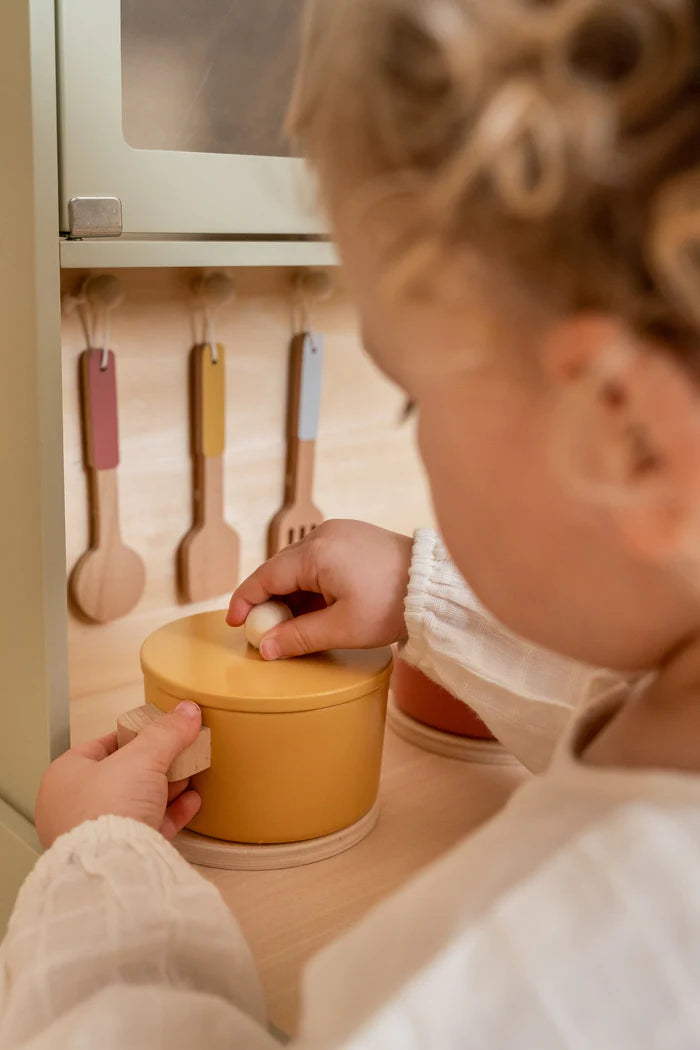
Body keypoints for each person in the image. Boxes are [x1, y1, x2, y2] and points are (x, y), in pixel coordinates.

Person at [3, 0, 700, 1046]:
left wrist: (100, 864)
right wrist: (423, 594)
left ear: (632, 441)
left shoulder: (507, 985)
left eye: (415, 396)